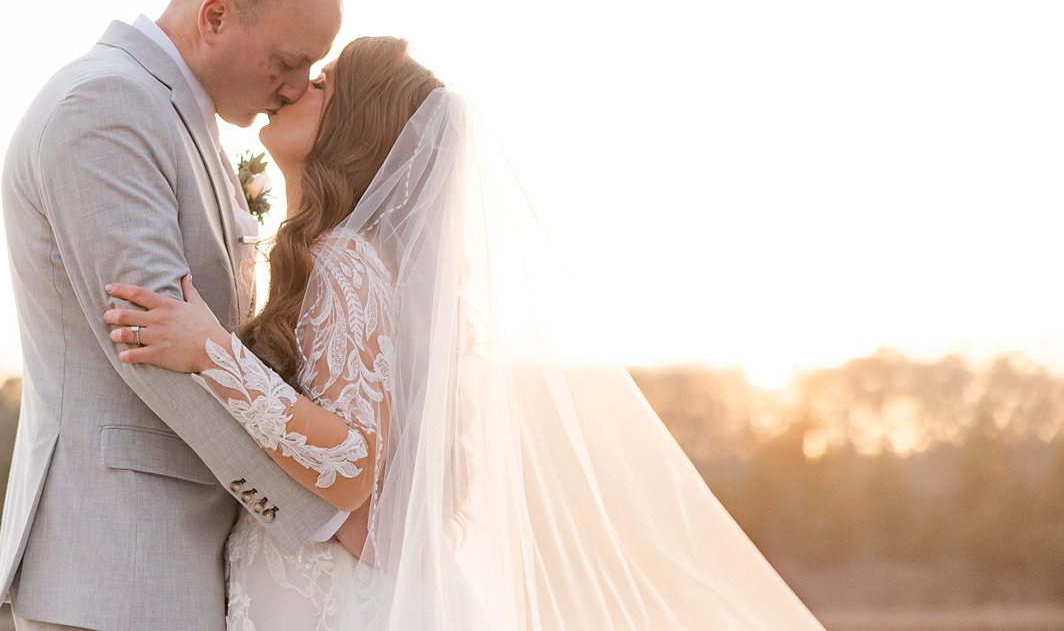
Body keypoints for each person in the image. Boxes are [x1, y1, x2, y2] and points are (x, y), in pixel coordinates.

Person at [103, 36, 829, 629]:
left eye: (322, 83)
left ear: (352, 126)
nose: (298, 87)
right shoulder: (338, 262)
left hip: (325, 597)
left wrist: (212, 352)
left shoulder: (349, 264)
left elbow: (354, 464)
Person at [0, 0, 347, 631]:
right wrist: (327, 508)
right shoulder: (106, 105)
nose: (297, 86)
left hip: (165, 563)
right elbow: (152, 348)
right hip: (116, 563)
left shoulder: (184, 117)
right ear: (214, 16)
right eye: (287, 59)